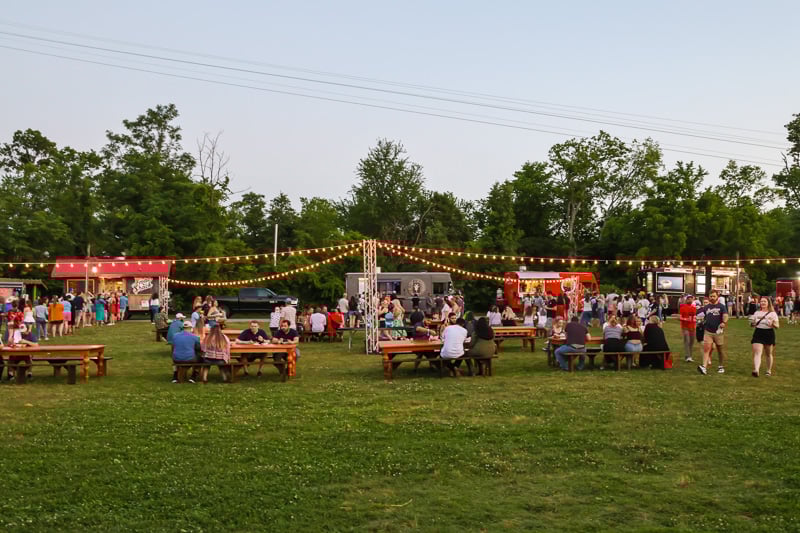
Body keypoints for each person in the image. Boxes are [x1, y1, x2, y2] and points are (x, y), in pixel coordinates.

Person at [697, 290, 729, 375]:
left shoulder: (722, 306)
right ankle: (704, 367)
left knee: (720, 350)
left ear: (717, 296)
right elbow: (700, 316)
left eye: (714, 296)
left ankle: (721, 366)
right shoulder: (706, 307)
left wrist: (724, 322)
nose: (712, 298)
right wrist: (699, 319)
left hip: (718, 331)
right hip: (708, 331)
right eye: (711, 296)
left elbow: (725, 315)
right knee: (706, 348)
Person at [750, 297, 779, 377]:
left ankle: (768, 370)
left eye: (764, 301)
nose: (762, 303)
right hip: (758, 332)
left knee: (768, 354)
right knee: (757, 352)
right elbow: (752, 324)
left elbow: (777, 326)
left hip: (768, 333)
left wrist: (772, 324)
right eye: (761, 301)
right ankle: (756, 370)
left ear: (768, 303)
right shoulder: (757, 313)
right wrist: (752, 323)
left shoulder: (772, 313)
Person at [679, 295, 697, 362]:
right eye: (689, 299)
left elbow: (695, 317)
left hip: (692, 327)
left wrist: (696, 320)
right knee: (687, 341)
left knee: (692, 342)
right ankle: (688, 356)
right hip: (685, 327)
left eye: (691, 299)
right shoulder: (682, 307)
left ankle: (690, 356)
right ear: (686, 300)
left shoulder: (694, 308)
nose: (690, 300)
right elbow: (680, 317)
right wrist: (686, 319)